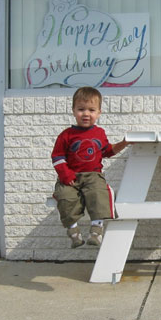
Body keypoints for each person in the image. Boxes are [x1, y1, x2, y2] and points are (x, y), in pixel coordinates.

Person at [51, 86, 130, 248]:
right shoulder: (66, 135)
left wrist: (124, 143)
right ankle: (74, 232)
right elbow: (57, 157)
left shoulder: (99, 133)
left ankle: (96, 231)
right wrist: (66, 175)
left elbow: (107, 151)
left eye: (91, 110)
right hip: (71, 177)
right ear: (73, 111)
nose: (86, 113)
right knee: (65, 197)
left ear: (99, 113)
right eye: (81, 109)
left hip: (93, 176)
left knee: (99, 194)